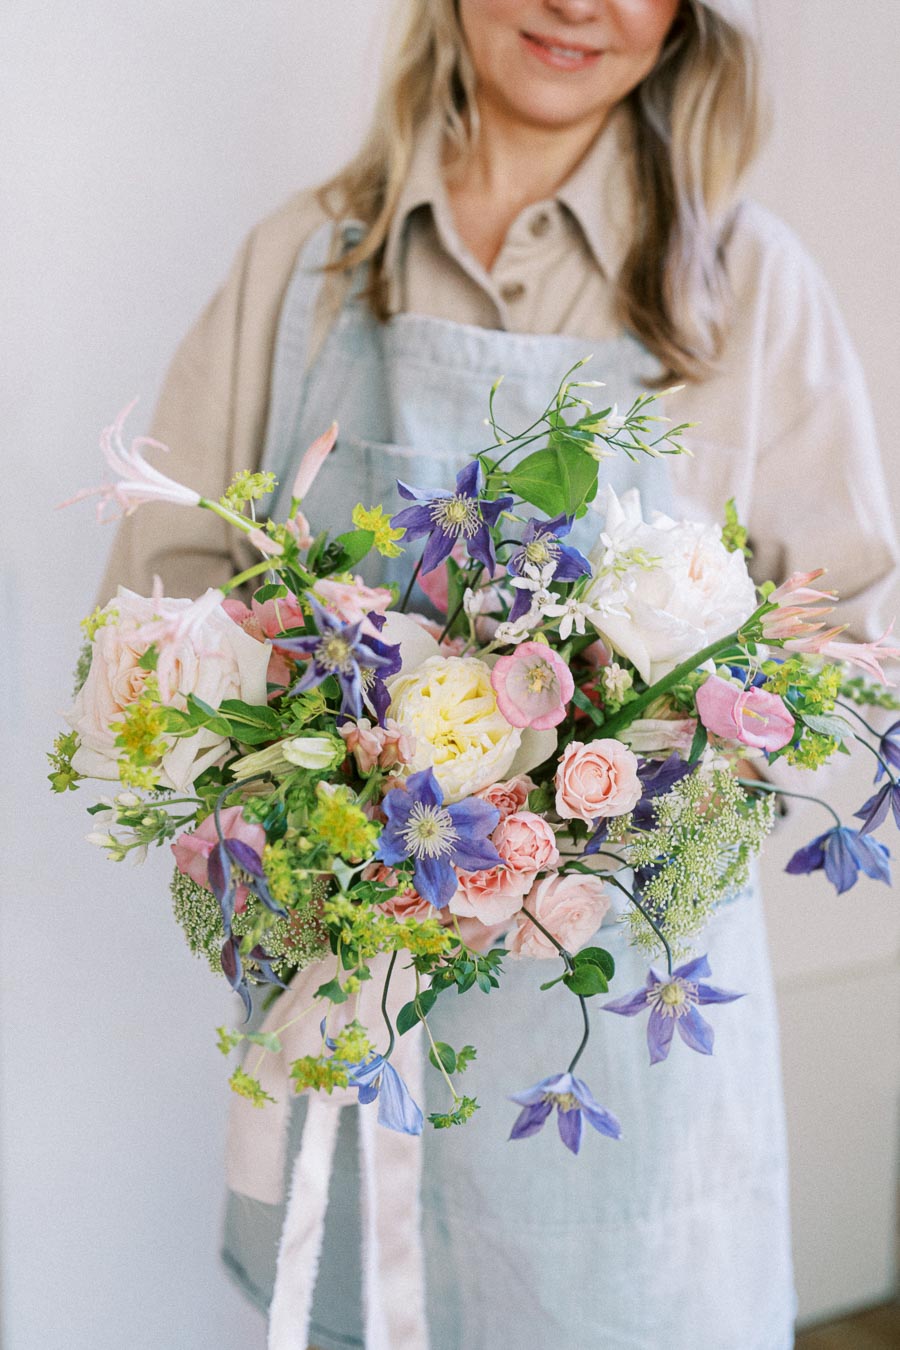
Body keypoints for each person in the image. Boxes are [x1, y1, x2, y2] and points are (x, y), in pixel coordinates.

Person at [99, 2, 899, 1347]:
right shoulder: (303, 269)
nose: (579, 2)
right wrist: (274, 782)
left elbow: (853, 639)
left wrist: (642, 804)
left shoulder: (746, 284)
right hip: (354, 1032)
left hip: (633, 1078)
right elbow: (158, 590)